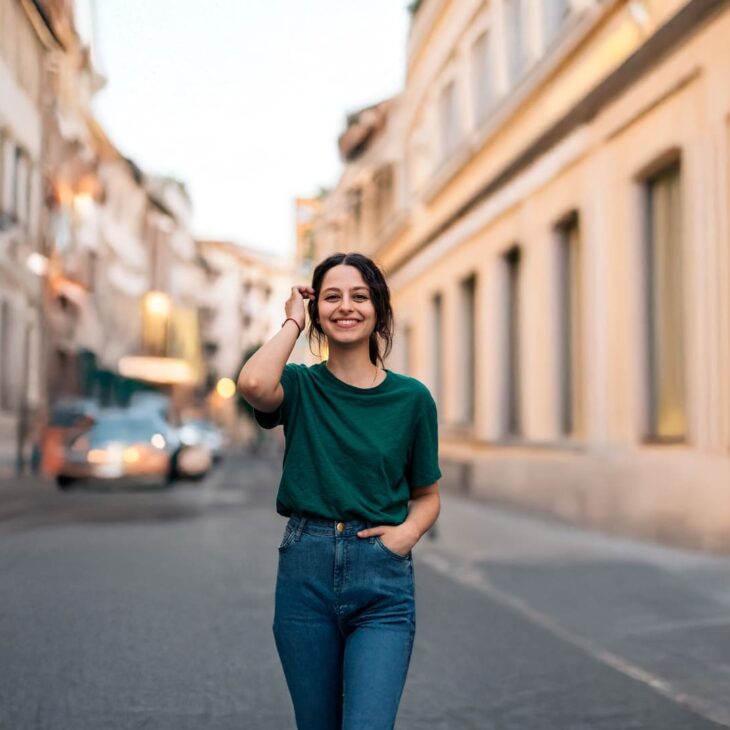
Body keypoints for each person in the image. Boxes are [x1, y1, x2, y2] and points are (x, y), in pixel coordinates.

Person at [237, 251, 441, 730]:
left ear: (379, 310)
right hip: (305, 571)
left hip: (381, 582)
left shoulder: (411, 399)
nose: (345, 307)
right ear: (317, 312)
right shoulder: (300, 386)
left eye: (359, 296)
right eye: (331, 297)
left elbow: (427, 495)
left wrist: (405, 535)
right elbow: (251, 382)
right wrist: (292, 320)